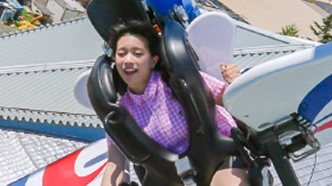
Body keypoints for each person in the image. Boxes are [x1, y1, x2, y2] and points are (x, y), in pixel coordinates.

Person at [101, 20, 249, 186]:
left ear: (153, 61)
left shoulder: (183, 81)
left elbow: (233, 104)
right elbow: (115, 163)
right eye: (121, 54)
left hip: (221, 160)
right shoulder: (120, 114)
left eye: (137, 53)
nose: (128, 60)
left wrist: (236, 83)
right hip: (173, 179)